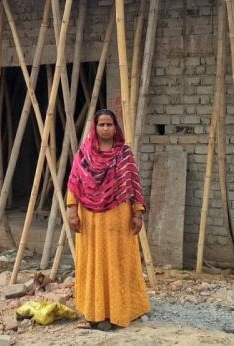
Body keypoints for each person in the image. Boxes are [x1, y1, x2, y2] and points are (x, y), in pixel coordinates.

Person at [66, 109, 150, 330]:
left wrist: (138, 213)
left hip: (118, 219)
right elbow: (74, 184)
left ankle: (120, 311)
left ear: (115, 127)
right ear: (94, 127)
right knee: (94, 262)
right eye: (101, 124)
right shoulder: (84, 154)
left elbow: (134, 185)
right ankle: (95, 312)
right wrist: (72, 212)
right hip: (90, 220)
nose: (105, 128)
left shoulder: (124, 154)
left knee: (118, 262)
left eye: (109, 124)